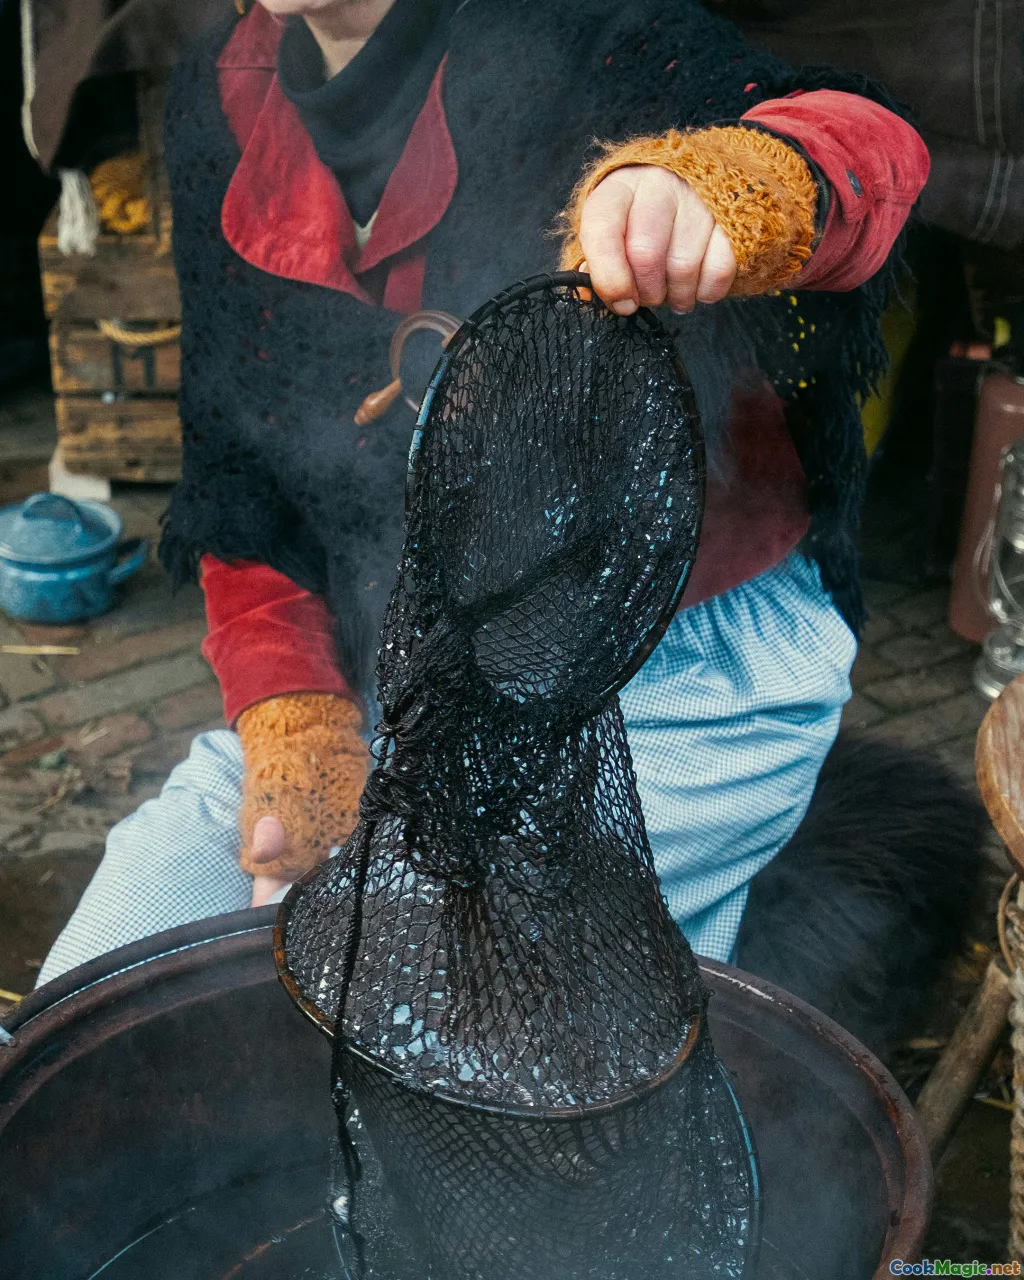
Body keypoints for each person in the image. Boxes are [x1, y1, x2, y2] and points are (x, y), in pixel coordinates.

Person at [39, 0, 969, 1044]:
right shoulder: (225, 88)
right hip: (398, 661)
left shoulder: (578, 26)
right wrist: (291, 723)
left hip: (674, 671)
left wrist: (725, 182)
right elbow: (240, 484)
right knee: (98, 979)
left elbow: (870, 141)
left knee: (433, 1014)